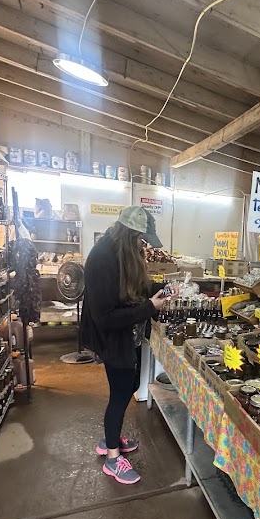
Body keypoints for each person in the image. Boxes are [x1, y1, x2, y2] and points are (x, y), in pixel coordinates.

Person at [80, 205, 173, 484]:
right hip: (113, 337)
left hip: (129, 334)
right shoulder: (101, 258)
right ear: (130, 233)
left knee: (131, 385)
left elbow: (137, 285)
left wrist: (160, 288)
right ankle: (111, 458)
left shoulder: (125, 251)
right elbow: (106, 317)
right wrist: (149, 307)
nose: (143, 245)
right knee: (120, 393)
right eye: (141, 239)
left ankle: (112, 437)